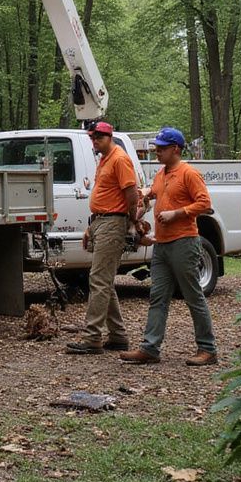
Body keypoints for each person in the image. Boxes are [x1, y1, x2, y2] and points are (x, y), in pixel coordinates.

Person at [121, 127, 218, 366]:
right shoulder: (162, 174)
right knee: (157, 297)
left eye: (161, 149)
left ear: (176, 148)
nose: (157, 152)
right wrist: (145, 195)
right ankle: (149, 348)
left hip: (184, 241)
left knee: (193, 295)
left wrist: (178, 213)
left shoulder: (189, 173)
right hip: (162, 245)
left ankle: (208, 349)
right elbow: (153, 192)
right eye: (156, 148)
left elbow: (204, 203)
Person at [65, 121, 140, 354]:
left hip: (113, 222)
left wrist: (131, 221)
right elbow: (104, 194)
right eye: (92, 137)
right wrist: (91, 226)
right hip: (101, 221)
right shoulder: (105, 159)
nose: (95, 140)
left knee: (98, 280)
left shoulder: (119, 158)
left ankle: (92, 338)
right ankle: (118, 336)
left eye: (99, 136)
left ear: (110, 136)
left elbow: (132, 195)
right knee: (104, 281)